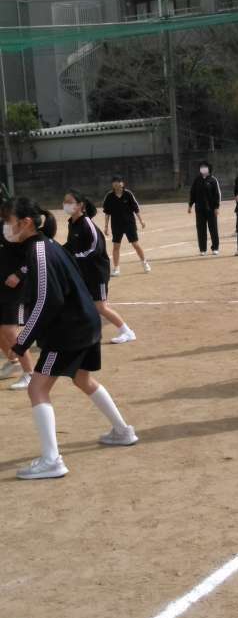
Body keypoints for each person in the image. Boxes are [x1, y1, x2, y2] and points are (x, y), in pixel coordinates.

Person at [3, 197, 138, 480]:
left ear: (25, 223)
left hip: (69, 330)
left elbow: (46, 300)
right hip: (85, 323)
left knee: (37, 389)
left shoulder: (39, 250)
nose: (5, 226)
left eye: (7, 221)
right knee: (82, 379)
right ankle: (123, 431)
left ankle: (52, 460)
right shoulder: (47, 244)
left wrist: (22, 342)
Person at [63, 189, 136, 344]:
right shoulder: (72, 223)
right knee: (79, 303)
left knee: (100, 307)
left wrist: (75, 257)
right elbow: (70, 245)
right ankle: (81, 332)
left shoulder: (87, 223)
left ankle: (127, 331)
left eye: (69, 202)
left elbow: (95, 248)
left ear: (80, 205)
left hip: (97, 273)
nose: (65, 204)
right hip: (84, 272)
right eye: (65, 201)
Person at [0, 218, 34, 389]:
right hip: (2, 286)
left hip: (16, 289)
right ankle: (13, 361)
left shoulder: (11, 228)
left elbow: (30, 256)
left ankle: (30, 373)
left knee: (10, 329)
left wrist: (19, 274)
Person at [103, 176, 151, 276]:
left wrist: (141, 221)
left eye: (118, 182)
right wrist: (106, 226)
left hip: (129, 224)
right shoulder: (109, 196)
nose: (116, 184)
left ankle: (145, 263)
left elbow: (136, 209)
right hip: (116, 225)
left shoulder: (128, 194)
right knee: (116, 246)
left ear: (122, 183)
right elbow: (107, 213)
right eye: (114, 182)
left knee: (135, 244)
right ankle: (116, 268)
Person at [188, 162, 221, 256]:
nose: (203, 169)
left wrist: (217, 207)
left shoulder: (213, 180)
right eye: (201, 167)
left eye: (205, 167)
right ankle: (202, 249)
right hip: (199, 209)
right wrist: (190, 205)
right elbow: (192, 193)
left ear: (209, 168)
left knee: (213, 229)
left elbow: (217, 194)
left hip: (211, 209)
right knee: (201, 229)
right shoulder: (197, 180)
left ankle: (215, 248)